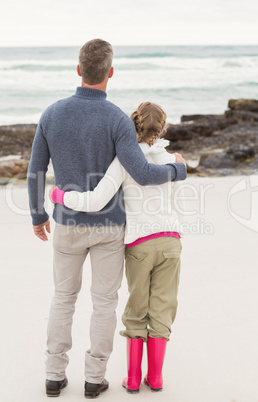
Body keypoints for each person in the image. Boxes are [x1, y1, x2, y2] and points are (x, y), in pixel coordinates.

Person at [27, 39, 187, 398]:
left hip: (66, 223)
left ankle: (54, 375)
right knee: (104, 303)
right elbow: (144, 173)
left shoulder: (52, 114)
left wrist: (38, 214)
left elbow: (35, 170)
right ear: (110, 73)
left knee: (63, 298)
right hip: (109, 227)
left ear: (79, 70)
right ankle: (94, 379)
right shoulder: (117, 119)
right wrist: (178, 169)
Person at [49, 101, 186, 394]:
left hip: (139, 243)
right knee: (163, 307)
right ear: (163, 128)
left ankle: (134, 379)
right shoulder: (174, 161)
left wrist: (61, 196)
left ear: (133, 126)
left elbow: (96, 200)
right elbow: (173, 201)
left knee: (137, 309)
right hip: (171, 241)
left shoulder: (125, 160)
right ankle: (157, 378)